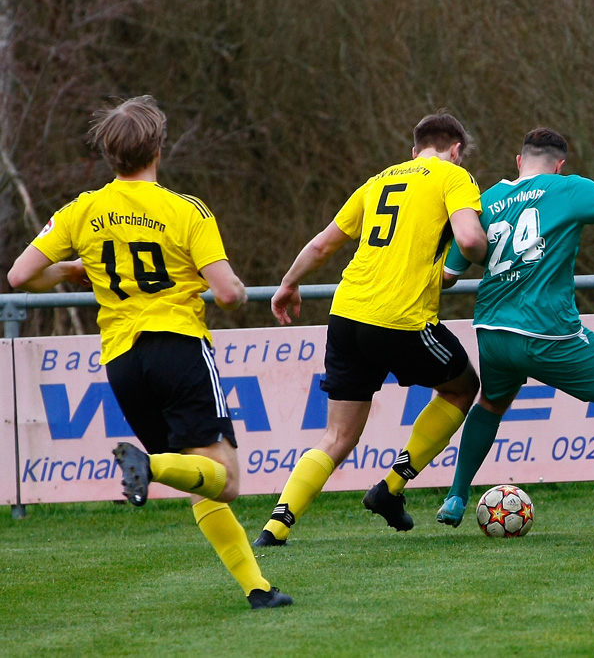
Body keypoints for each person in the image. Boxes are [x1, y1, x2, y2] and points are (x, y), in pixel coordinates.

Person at [6, 95, 292, 609]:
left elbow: (19, 275)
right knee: (224, 479)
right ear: (158, 148)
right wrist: (242, 289)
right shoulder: (186, 210)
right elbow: (227, 294)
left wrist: (74, 269)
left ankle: (258, 589)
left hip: (122, 361)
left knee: (199, 477)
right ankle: (150, 467)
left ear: (109, 155)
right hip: (176, 347)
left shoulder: (82, 210)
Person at [254, 112, 487, 546]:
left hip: (346, 316)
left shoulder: (378, 181)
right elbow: (471, 242)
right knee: (462, 387)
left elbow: (324, 243)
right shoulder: (454, 177)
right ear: (456, 150)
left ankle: (275, 528)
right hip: (400, 318)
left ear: (413, 149)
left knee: (338, 435)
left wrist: (288, 283)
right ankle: (390, 488)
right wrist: (492, 254)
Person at [434, 128, 594, 541]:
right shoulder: (569, 188)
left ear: (519, 161)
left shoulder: (485, 201)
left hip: (492, 330)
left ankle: (456, 497)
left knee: (491, 403)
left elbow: (448, 275)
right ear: (560, 164)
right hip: (547, 332)